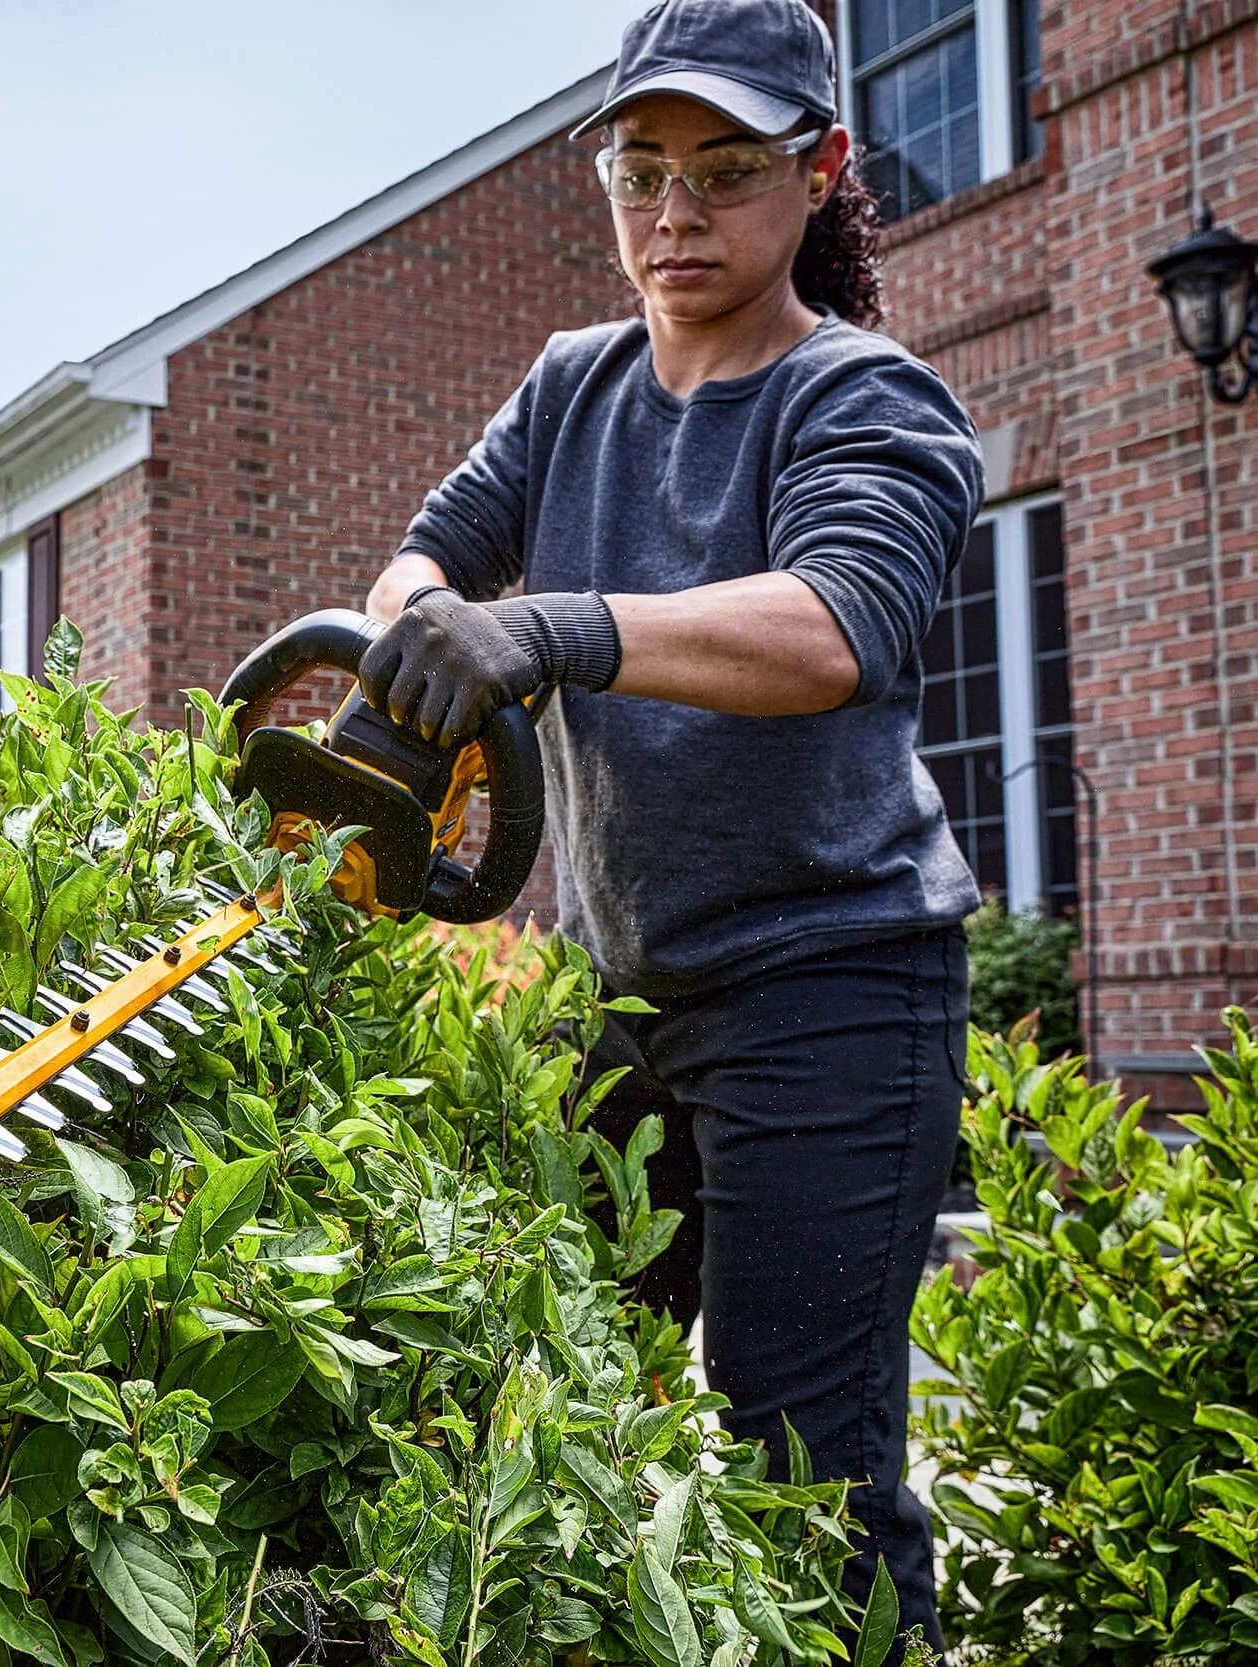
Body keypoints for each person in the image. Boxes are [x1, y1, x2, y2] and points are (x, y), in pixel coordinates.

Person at [359, 0, 981, 1654]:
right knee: (545, 1414)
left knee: (806, 1473)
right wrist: (415, 653)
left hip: (833, 988)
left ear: (820, 170)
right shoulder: (572, 385)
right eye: (641, 172)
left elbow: (835, 625)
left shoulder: (871, 399)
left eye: (723, 172)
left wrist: (556, 629)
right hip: (618, 995)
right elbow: (427, 557)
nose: (674, 217)